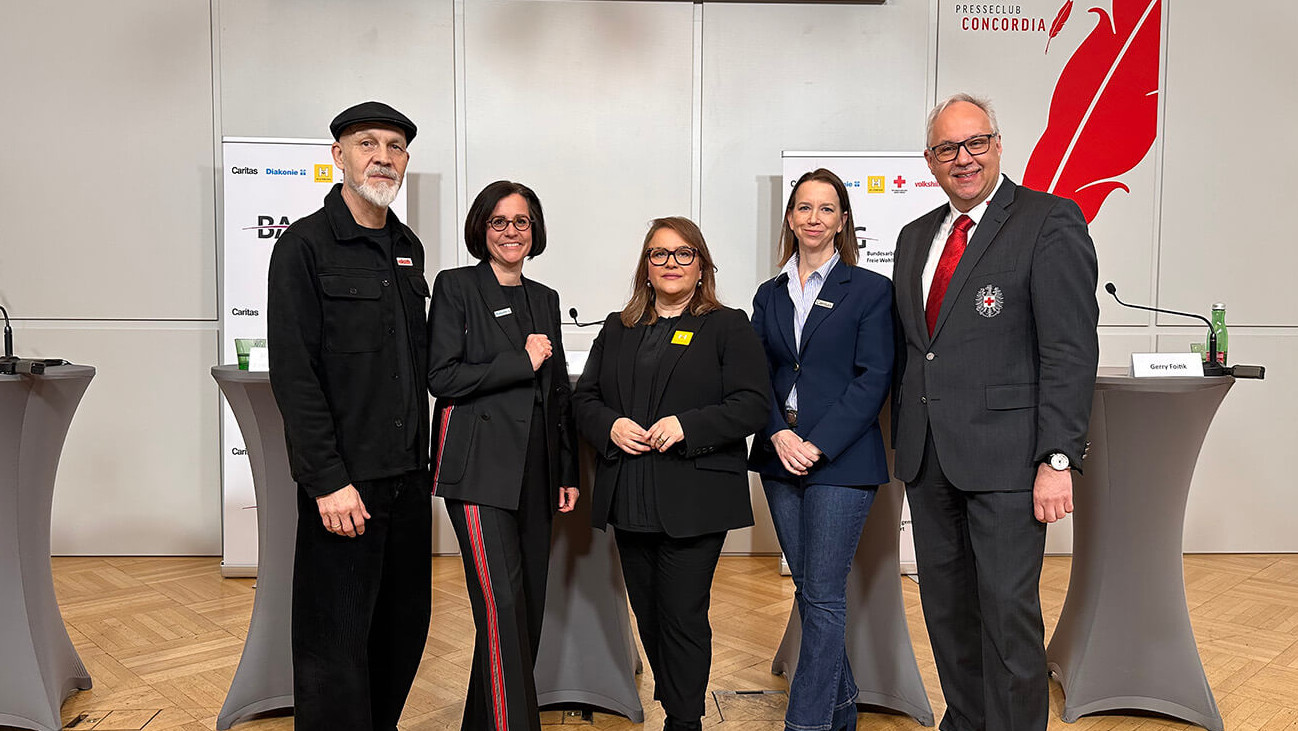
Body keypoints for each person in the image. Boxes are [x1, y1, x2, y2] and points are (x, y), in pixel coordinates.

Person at [891, 93, 1099, 730]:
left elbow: (1069, 350)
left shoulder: (1049, 221)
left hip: (1010, 463)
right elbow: (915, 352)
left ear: (999, 145)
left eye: (975, 143)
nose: (964, 158)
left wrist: (1057, 458)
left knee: (1008, 617)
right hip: (928, 460)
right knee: (948, 613)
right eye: (948, 148)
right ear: (930, 161)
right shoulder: (914, 236)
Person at [266, 101, 431, 731]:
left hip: (409, 480)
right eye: (368, 143)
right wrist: (327, 480)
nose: (382, 156)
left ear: (405, 161)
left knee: (403, 626)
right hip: (346, 484)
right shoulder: (304, 245)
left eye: (394, 146)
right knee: (333, 642)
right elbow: (295, 373)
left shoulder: (406, 247)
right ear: (339, 156)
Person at [572, 217, 768, 731]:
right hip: (630, 494)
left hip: (694, 496)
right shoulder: (619, 327)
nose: (671, 264)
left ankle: (684, 719)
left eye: (684, 254)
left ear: (701, 265)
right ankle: (679, 697)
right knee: (649, 614)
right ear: (646, 266)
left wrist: (687, 424)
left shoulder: (728, 325)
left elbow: (752, 405)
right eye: (660, 255)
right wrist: (610, 426)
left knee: (681, 615)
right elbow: (584, 400)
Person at [428, 180, 579, 731]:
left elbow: (557, 391)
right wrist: (521, 360)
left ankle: (482, 722)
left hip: (536, 473)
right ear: (481, 229)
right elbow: (442, 376)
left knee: (527, 610)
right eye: (499, 221)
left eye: (521, 222)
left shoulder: (545, 298)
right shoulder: (456, 287)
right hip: (477, 471)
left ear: (534, 231)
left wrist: (566, 468)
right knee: (501, 609)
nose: (511, 232)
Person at [748, 168, 894, 731]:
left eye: (826, 209)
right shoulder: (769, 293)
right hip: (779, 456)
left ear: (842, 220)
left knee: (825, 594)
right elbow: (753, 376)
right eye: (804, 208)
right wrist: (778, 434)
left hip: (842, 460)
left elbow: (873, 377)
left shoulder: (870, 290)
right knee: (811, 591)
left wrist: (816, 442)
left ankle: (805, 723)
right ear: (790, 218)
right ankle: (841, 708)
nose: (814, 219)